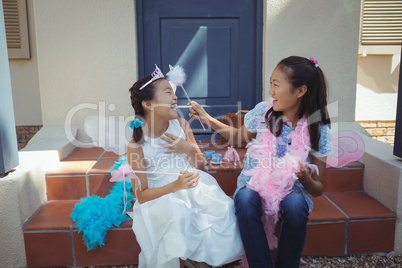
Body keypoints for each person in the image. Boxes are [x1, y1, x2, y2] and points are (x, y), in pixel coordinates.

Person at [188, 56, 333, 268]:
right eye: (270, 84)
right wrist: (207, 118)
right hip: (255, 182)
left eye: (276, 85)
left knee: (295, 205)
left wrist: (304, 177)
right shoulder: (265, 112)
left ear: (300, 91)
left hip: (292, 189)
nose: (271, 91)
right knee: (245, 200)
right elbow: (238, 137)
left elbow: (318, 188)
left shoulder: (318, 128)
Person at [126, 65, 245, 268]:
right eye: (168, 93)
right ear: (148, 104)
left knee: (223, 211)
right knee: (181, 217)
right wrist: (175, 187)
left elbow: (201, 165)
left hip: (193, 186)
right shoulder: (137, 145)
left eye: (174, 92)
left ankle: (209, 261)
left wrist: (187, 149)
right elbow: (142, 196)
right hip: (162, 197)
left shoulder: (181, 125)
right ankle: (197, 262)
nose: (175, 98)